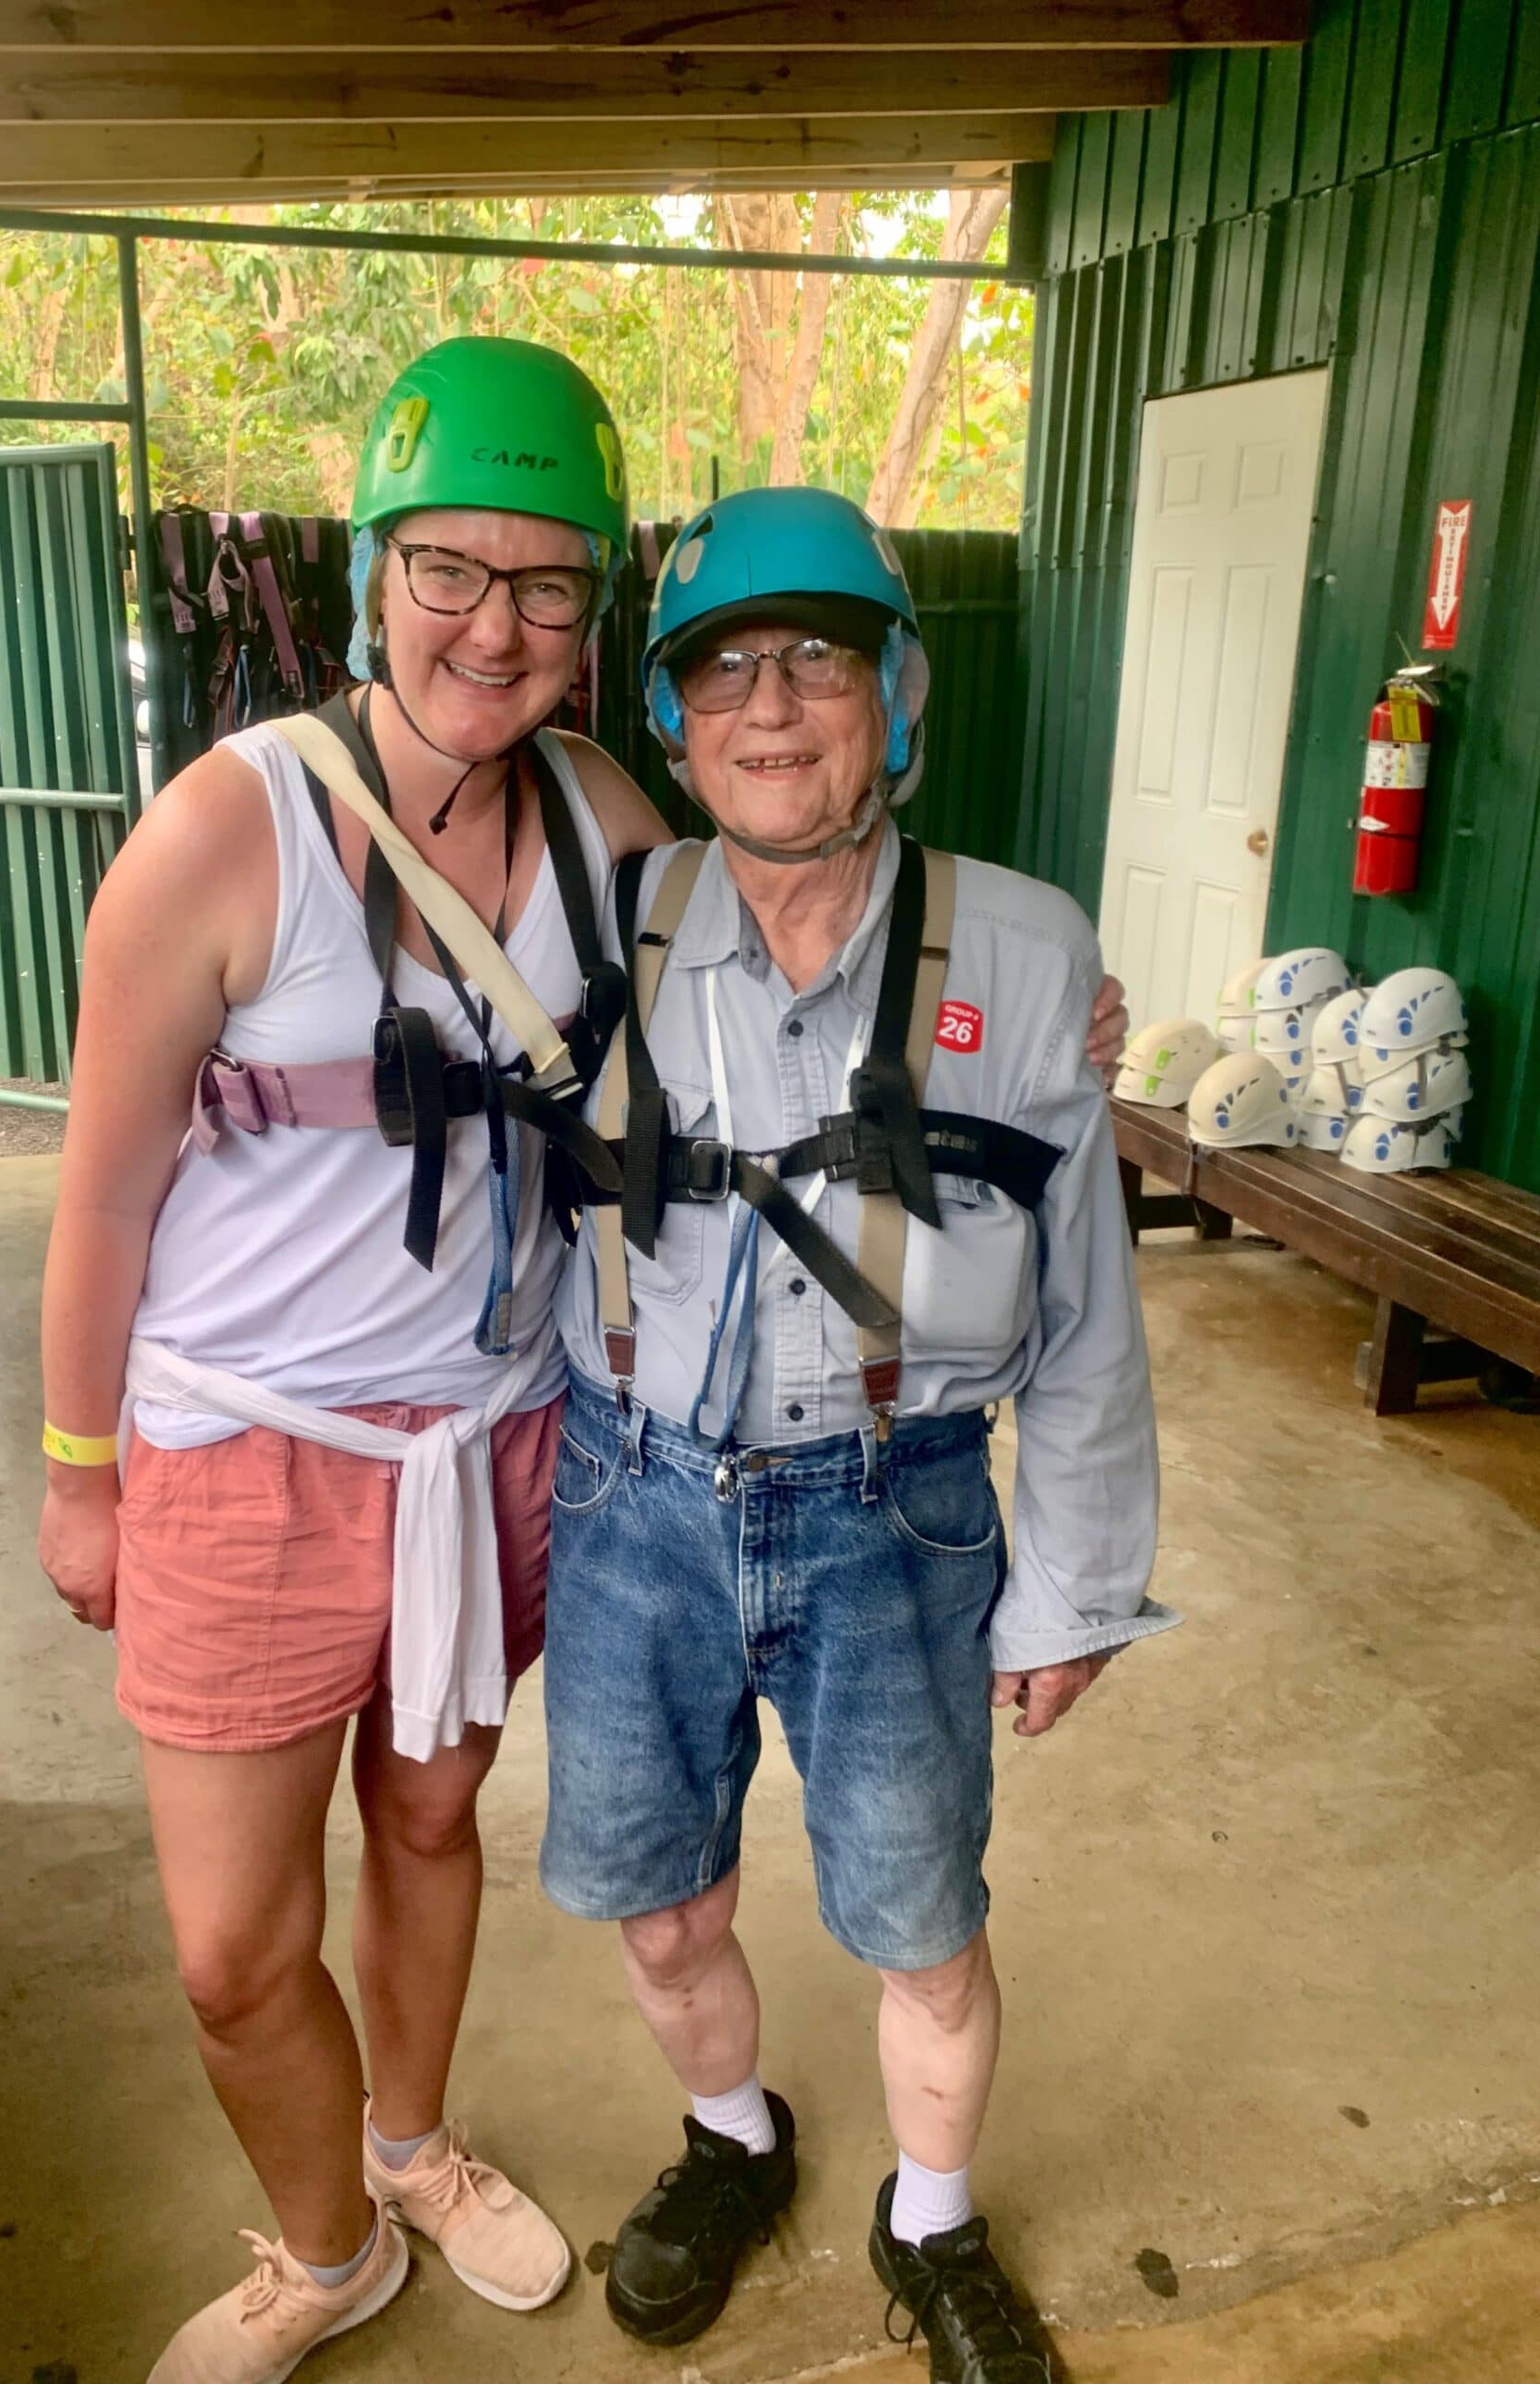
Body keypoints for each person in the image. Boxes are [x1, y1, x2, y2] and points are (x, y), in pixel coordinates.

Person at [37, 336, 668, 2384]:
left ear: (595, 601)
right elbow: (104, 1198)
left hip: (489, 1447)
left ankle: (410, 2148)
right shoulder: (229, 836)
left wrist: (1028, 1003)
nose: (496, 621)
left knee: (425, 1823)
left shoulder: (595, 815)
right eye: (452, 569)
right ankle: (324, 2251)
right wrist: (77, 1464)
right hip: (246, 1448)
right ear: (373, 568)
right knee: (234, 1951)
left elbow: (777, 978)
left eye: (546, 581)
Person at [540, 487, 1177, 2381]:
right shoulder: (604, 921)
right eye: (724, 664)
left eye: (819, 656)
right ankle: (733, 2139)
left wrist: (1076, 1585)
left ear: (900, 692)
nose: (771, 703)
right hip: (633, 1497)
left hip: (892, 1515)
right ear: (673, 720)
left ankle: (935, 2217)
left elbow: (1088, 1316)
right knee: (662, 1909)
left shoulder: (1033, 949)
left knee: (924, 1924)